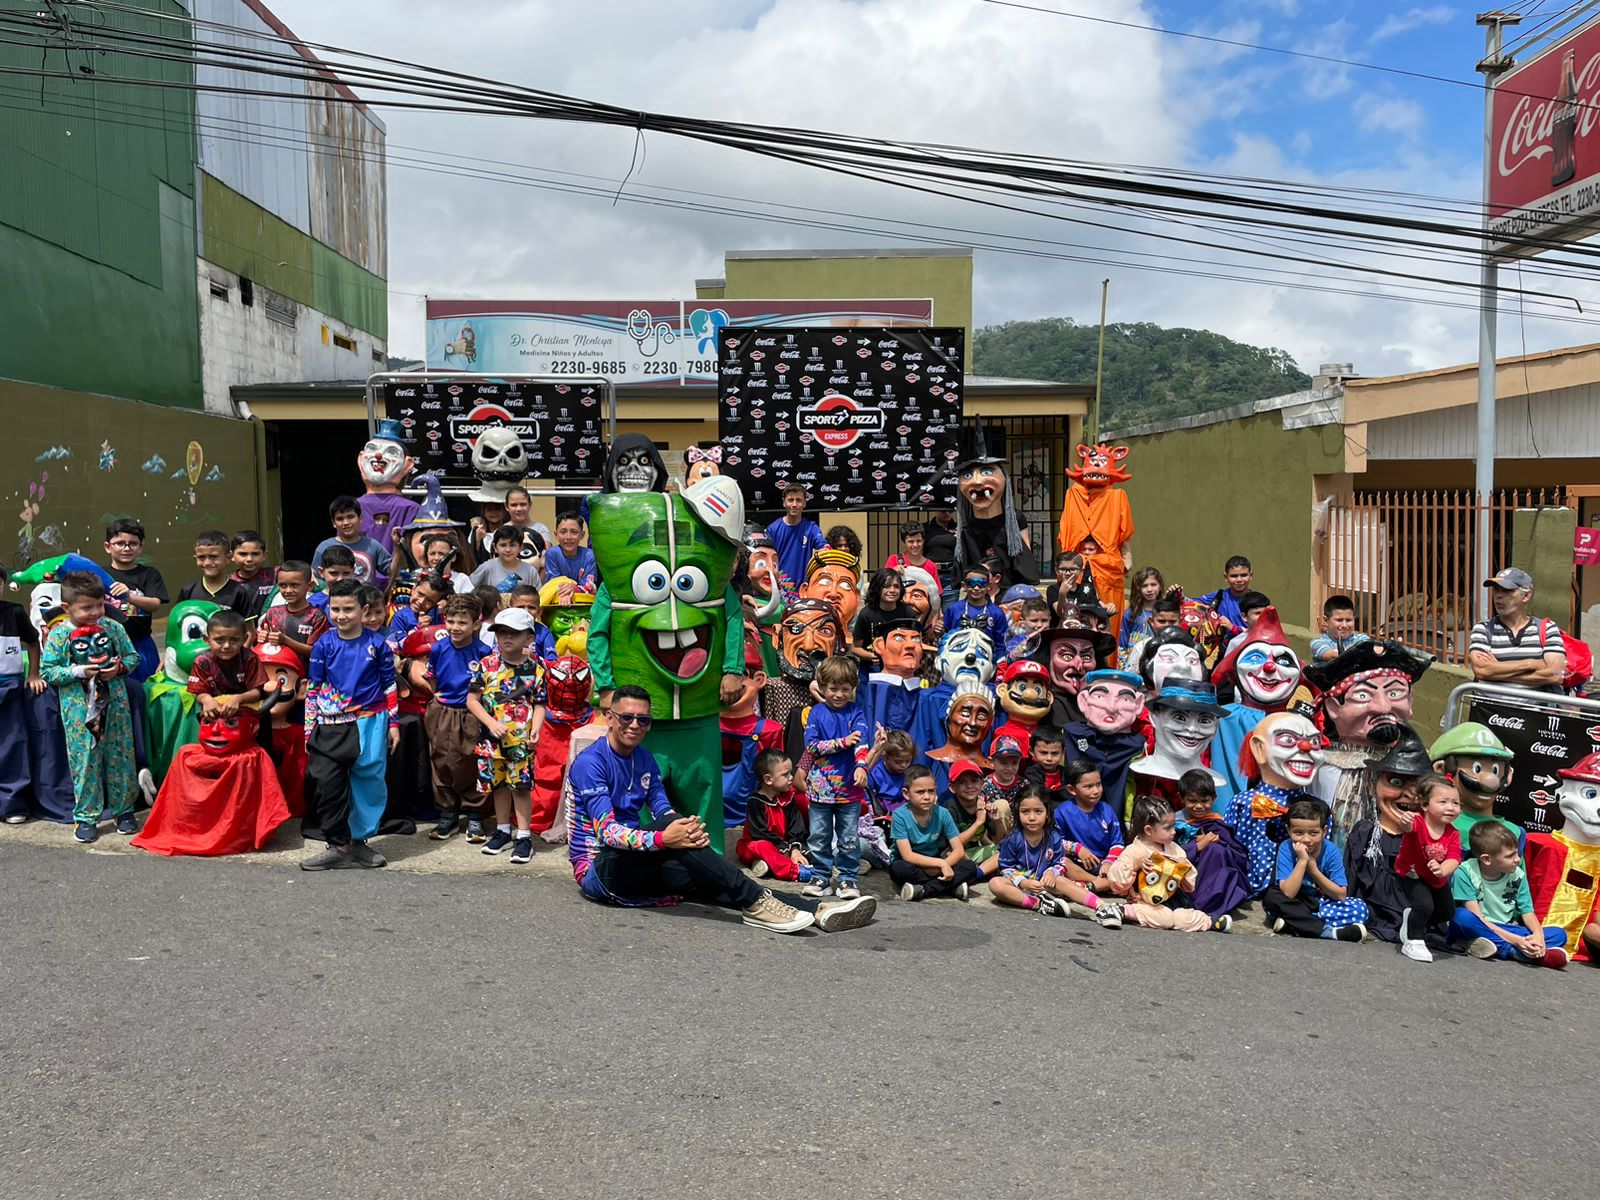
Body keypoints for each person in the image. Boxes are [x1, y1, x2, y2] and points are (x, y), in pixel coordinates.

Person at [566, 686, 876, 932]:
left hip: (635, 861)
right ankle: (761, 903)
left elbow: (662, 810)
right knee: (675, 838)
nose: (635, 725)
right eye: (626, 717)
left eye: (643, 719)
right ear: (610, 717)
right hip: (599, 871)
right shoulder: (592, 763)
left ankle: (814, 910)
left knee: (709, 878)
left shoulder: (644, 758)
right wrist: (666, 838)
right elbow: (606, 833)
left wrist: (687, 829)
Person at [300, 580, 399, 871]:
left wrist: (393, 725)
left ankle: (359, 844)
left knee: (368, 782)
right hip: (329, 725)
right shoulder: (323, 644)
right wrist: (309, 728)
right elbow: (314, 688)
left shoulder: (378, 644)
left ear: (363, 609)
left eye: (348, 609)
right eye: (335, 609)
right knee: (327, 783)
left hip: (370, 720)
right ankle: (336, 844)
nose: (341, 615)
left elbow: (389, 684)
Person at [40, 573, 142, 842]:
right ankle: (86, 816)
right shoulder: (59, 634)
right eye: (87, 608)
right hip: (78, 712)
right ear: (67, 608)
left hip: (116, 707)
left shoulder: (113, 628)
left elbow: (133, 657)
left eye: (99, 605)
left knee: (121, 758)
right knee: (85, 762)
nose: (95, 612)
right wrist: (78, 671)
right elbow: (48, 672)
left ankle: (124, 810)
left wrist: (118, 669)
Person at [465, 606, 547, 864]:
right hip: (491, 740)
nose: (506, 638)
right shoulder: (486, 665)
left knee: (520, 787)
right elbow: (472, 700)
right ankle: (502, 831)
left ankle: (523, 837)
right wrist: (490, 723)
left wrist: (537, 727)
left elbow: (540, 703)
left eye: (513, 633)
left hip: (521, 740)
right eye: (501, 633)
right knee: (498, 785)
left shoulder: (536, 669)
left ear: (529, 638)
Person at [1449, 821, 1569, 968]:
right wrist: (1516, 941)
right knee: (1461, 917)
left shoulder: (1517, 874)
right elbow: (1477, 918)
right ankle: (1513, 951)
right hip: (1481, 925)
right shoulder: (1465, 872)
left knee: (1559, 934)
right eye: (1510, 856)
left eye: (1517, 853)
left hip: (1507, 927)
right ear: (1487, 859)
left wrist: (1539, 936)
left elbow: (1528, 912)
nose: (1517, 860)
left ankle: (1498, 946)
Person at [803, 654, 873, 901]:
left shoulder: (857, 713)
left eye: (845, 689)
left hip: (850, 789)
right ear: (822, 688)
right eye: (833, 689)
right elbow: (811, 747)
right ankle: (820, 875)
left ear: (853, 689)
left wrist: (862, 766)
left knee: (849, 838)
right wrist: (842, 743)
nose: (839, 694)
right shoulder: (816, 713)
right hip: (819, 788)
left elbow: (861, 743)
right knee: (819, 835)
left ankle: (847, 878)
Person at [1100, 797, 1225, 933]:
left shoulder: (1174, 848)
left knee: (1181, 917)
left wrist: (1183, 871)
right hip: (1144, 901)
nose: (1174, 831)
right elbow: (1117, 876)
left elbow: (1189, 880)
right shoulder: (1135, 850)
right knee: (1164, 918)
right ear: (1148, 830)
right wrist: (1137, 868)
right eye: (1168, 828)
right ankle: (1122, 910)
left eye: (1173, 825)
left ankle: (1208, 921)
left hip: (1172, 899)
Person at [1263, 797, 1370, 941]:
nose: (1306, 839)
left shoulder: (1331, 851)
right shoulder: (1286, 848)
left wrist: (1313, 870)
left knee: (1359, 908)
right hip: (1295, 900)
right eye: (1298, 833)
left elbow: (1340, 894)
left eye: (1313, 833)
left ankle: (1294, 923)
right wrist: (1302, 861)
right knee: (1271, 898)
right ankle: (1329, 932)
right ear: (1288, 830)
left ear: (1324, 831)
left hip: (1321, 903)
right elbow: (1288, 893)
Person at [424, 594, 485, 841]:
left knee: (470, 760)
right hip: (443, 710)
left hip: (472, 713)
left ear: (476, 624)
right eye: (450, 621)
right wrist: (438, 699)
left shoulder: (483, 651)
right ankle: (447, 813)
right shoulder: (439, 648)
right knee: (441, 760)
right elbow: (432, 677)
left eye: (462, 623)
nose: (455, 628)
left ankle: (475, 815)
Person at [1393, 773, 1463, 962]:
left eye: (1456, 803)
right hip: (1412, 873)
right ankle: (1414, 941)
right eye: (1443, 802)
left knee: (1447, 911)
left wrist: (1443, 870)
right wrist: (1405, 821)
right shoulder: (1417, 822)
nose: (1451, 807)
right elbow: (1405, 828)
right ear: (1425, 805)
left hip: (1436, 877)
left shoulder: (1453, 833)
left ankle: (1413, 922)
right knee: (1424, 905)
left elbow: (1454, 858)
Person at [891, 765, 984, 901]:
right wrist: (940, 865)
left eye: (931, 791)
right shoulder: (900, 815)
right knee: (898, 868)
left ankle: (923, 890)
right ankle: (950, 886)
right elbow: (907, 855)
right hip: (916, 864)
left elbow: (958, 850)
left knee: (970, 867)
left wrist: (944, 863)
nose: (927, 797)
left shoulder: (943, 813)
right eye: (920, 792)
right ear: (906, 794)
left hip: (938, 862)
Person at [1468, 567, 1566, 693]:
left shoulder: (1547, 629)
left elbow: (1555, 675)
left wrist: (1497, 669)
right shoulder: (1483, 629)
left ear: (1526, 596)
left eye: (1507, 591)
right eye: (1496, 590)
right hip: (1491, 710)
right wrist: (1531, 664)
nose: (1498, 596)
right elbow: (1482, 671)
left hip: (1533, 710)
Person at [1173, 770, 1249, 921]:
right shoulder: (1173, 823)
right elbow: (1166, 852)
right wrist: (1197, 846)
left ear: (1214, 798)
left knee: (1217, 851)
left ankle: (1212, 905)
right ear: (1181, 798)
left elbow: (1238, 855)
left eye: (1204, 801)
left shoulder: (1217, 824)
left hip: (1211, 876)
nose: (1199, 806)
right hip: (1183, 877)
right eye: (1192, 801)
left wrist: (1218, 842)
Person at [736, 749, 817, 883]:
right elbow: (760, 833)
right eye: (785, 775)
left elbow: (796, 828)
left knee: (811, 850)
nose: (791, 777)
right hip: (760, 844)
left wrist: (795, 849)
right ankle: (795, 872)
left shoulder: (789, 798)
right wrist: (786, 850)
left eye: (791, 772)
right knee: (763, 847)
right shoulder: (755, 802)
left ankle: (767, 866)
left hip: (786, 845)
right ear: (768, 779)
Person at [102, 517, 168, 682]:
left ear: (140, 548)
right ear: (108, 547)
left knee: (146, 690)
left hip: (140, 644)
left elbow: (155, 604)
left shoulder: (149, 574)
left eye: (133, 543)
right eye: (120, 543)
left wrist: (130, 596)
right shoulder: (99, 575)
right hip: (107, 644)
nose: (126, 548)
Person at [0, 578, 43, 822]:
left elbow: (33, 641)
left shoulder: (14, 612)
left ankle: (12, 803)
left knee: (12, 744)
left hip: (9, 686)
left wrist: (33, 673)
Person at [187, 610, 266, 720]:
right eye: (219, 640)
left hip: (246, 713)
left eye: (234, 640)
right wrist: (206, 699)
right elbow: (199, 691)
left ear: (244, 639)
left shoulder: (250, 659)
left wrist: (238, 699)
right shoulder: (202, 661)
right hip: (214, 713)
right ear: (207, 639)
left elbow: (257, 691)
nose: (227, 646)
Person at [1052, 760, 1124, 869]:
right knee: (1063, 863)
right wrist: (1077, 848)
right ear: (1072, 789)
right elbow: (1054, 842)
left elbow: (1117, 843)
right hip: (1076, 863)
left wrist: (1108, 862)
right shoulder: (1062, 812)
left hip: (1104, 864)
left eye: (1098, 784)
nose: (1096, 791)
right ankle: (1096, 883)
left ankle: (1093, 884)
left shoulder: (1107, 810)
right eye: (1088, 786)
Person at [862, 730, 914, 871]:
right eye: (898, 762)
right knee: (869, 840)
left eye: (907, 761)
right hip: (881, 820)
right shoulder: (876, 773)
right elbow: (868, 802)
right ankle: (887, 860)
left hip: (905, 819)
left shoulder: (910, 774)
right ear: (885, 756)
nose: (903, 765)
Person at [255, 560, 327, 660]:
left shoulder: (317, 617)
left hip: (305, 673)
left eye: (294, 585)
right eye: (283, 585)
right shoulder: (273, 613)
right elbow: (261, 642)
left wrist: (285, 640)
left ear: (309, 586)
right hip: (276, 669)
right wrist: (262, 637)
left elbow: (317, 652)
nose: (288, 591)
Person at [316, 495, 393, 586]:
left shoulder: (373, 545)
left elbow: (392, 572)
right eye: (340, 519)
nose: (346, 523)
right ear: (334, 523)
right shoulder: (324, 547)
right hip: (334, 599)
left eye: (350, 517)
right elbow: (316, 578)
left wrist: (397, 547)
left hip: (366, 599)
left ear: (360, 519)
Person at [766, 484, 828, 592]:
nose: (794, 504)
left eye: (798, 500)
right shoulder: (773, 529)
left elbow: (824, 548)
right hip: (778, 589)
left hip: (804, 590)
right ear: (784, 502)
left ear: (804, 503)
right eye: (790, 500)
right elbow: (767, 559)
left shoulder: (811, 528)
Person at [177, 530, 254, 616]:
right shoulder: (188, 591)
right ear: (195, 559)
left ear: (228, 557)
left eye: (213, 557)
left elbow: (248, 628)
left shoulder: (238, 592)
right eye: (201, 557)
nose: (207, 563)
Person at [851, 569, 916, 669]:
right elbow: (855, 648)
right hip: (872, 667)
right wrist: (871, 656)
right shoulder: (866, 614)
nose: (892, 590)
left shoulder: (908, 613)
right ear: (877, 588)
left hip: (901, 666)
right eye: (886, 586)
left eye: (896, 586)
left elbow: (916, 643)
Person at [470, 525, 543, 594]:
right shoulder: (486, 568)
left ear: (521, 547)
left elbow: (538, 597)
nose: (508, 550)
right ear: (495, 547)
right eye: (503, 545)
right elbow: (468, 589)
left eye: (512, 545)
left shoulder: (530, 571)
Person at [943, 570, 1007, 648]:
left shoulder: (997, 613)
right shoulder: (953, 609)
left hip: (987, 656)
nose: (976, 588)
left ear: (988, 586)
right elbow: (945, 637)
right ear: (964, 586)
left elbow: (1001, 643)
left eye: (981, 584)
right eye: (971, 584)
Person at [1117, 566, 1164, 658]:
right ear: (1138, 588)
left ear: (1160, 586)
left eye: (1153, 585)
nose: (1149, 589)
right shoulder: (1130, 614)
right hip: (1134, 665)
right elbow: (1122, 646)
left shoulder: (1166, 614)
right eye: (1144, 586)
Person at [1197, 555, 1254, 630]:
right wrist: (1178, 596)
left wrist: (1233, 628)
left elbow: (1263, 632)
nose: (1239, 580)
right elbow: (1189, 603)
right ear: (1226, 577)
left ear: (1251, 576)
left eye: (1243, 575)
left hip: (1249, 641)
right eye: (1234, 576)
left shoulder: (1258, 601)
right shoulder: (1218, 596)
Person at [544, 512, 599, 589]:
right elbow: (552, 584)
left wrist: (572, 588)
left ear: (582, 535)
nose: (568, 537)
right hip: (558, 597)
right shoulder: (552, 554)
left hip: (582, 598)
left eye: (574, 532)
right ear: (556, 534)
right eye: (563, 532)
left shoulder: (589, 556)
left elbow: (589, 586)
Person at [1309, 595, 1370, 663]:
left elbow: (1376, 650)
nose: (1344, 625)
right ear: (1326, 620)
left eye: (1348, 620)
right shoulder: (1318, 643)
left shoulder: (1361, 638)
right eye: (1339, 620)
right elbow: (1333, 656)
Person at [229, 531, 276, 617]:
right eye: (243, 554)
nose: (249, 559)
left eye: (255, 554)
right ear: (231, 556)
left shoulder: (277, 575)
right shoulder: (228, 584)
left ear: (264, 555)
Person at [885, 522, 940, 591]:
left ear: (924, 541)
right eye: (910, 541)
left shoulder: (931, 566)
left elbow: (936, 594)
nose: (915, 545)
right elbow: (883, 584)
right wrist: (893, 572)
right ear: (903, 542)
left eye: (919, 541)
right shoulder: (894, 560)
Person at [311, 544, 358, 610]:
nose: (340, 579)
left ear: (353, 572)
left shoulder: (362, 598)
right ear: (321, 572)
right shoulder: (313, 603)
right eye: (334, 573)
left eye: (346, 573)